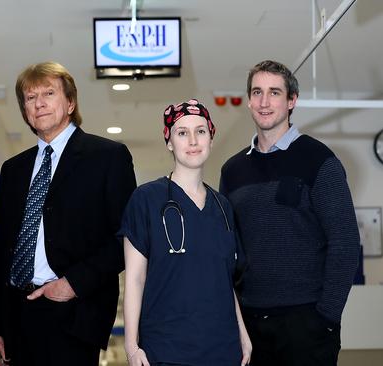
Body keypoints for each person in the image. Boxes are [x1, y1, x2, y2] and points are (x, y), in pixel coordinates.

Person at [0, 61, 136, 366]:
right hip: (16, 316)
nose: (38, 104)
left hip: (73, 312)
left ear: (70, 102)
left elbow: (124, 238)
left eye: (48, 93)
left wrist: (72, 284)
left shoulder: (107, 157)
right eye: (29, 97)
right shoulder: (13, 170)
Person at [219, 60, 360, 365]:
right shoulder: (233, 171)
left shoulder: (319, 160)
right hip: (249, 324)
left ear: (292, 100)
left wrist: (326, 317)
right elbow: (228, 249)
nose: (264, 102)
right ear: (248, 101)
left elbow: (345, 242)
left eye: (274, 92)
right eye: (257, 92)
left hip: (306, 324)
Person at [121, 99, 252, 366]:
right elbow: (135, 279)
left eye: (201, 131)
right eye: (182, 133)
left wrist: (243, 334)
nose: (193, 140)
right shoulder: (146, 199)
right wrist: (131, 346)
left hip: (223, 349)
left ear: (211, 138)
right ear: (169, 141)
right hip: (166, 350)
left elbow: (225, 281)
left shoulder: (223, 206)